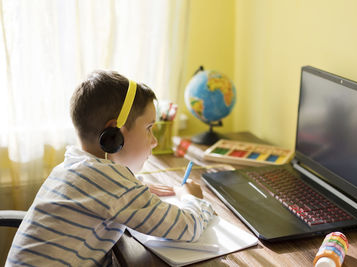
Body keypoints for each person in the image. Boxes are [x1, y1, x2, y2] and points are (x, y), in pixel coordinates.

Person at [6, 70, 215, 266]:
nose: (154, 142)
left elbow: (106, 193)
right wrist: (193, 198)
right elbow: (185, 227)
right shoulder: (110, 182)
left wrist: (136, 187)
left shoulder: (73, 165)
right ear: (114, 133)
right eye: (149, 128)